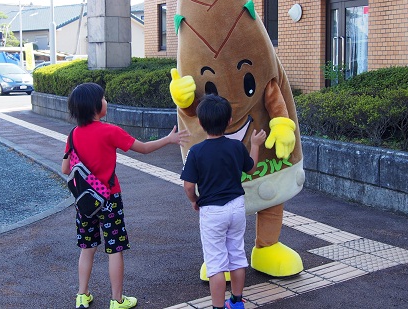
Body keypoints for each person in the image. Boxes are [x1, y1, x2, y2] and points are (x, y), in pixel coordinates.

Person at [62, 82, 189, 309]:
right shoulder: (110, 131)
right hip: (109, 199)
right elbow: (144, 148)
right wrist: (169, 140)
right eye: (103, 98)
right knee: (115, 249)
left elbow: (65, 169)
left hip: (85, 202)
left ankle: (82, 295)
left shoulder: (73, 135)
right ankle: (117, 300)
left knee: (87, 247)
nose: (106, 101)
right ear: (95, 106)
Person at [180, 94, 267, 309]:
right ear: (229, 121)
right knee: (237, 255)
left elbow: (189, 186)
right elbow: (251, 168)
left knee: (216, 264)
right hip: (236, 206)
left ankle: (218, 307)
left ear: (200, 122)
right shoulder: (236, 147)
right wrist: (255, 144)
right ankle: (236, 302)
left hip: (212, 211)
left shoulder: (196, 152)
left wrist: (195, 200)